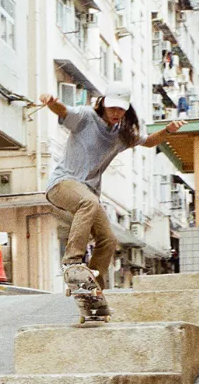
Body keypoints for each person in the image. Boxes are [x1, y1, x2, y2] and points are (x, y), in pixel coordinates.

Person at [40, 83, 185, 294]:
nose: (116, 113)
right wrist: (53, 102)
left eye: (121, 109)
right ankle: (72, 263)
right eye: (112, 108)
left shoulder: (122, 134)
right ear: (104, 104)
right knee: (89, 202)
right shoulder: (86, 117)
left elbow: (149, 141)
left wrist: (168, 130)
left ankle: (91, 289)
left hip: (87, 193)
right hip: (62, 184)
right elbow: (64, 111)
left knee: (108, 240)